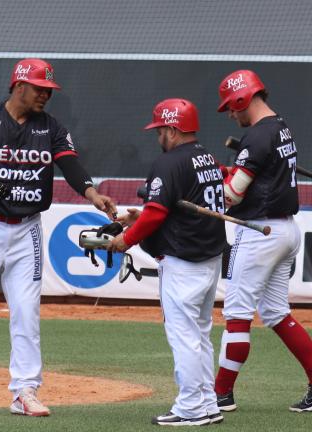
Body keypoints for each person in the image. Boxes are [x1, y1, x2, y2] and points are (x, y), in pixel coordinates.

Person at [0, 58, 117, 417]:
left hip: (27, 229)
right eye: (40, 88)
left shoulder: (51, 127)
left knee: (26, 311)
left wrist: (92, 194)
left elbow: (70, 165)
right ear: (19, 85)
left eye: (48, 90)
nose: (45, 95)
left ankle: (25, 391)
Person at [108, 98, 226, 426]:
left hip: (184, 261)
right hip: (208, 258)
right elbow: (172, 208)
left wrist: (125, 240)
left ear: (173, 129)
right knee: (199, 333)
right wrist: (137, 217)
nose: (158, 135)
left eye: (160, 129)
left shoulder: (169, 163)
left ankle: (190, 408)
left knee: (185, 335)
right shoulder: (207, 158)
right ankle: (206, 403)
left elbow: (158, 212)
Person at [214, 69, 312, 413]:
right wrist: (231, 172)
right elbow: (260, 176)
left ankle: (220, 395)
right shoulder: (281, 126)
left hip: (259, 234)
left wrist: (211, 183)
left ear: (243, 99)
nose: (230, 113)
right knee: (275, 312)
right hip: (287, 231)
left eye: (231, 106)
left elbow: (231, 196)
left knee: (237, 315)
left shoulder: (256, 137)